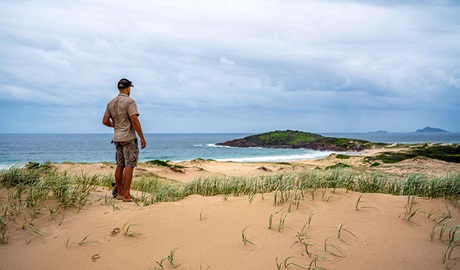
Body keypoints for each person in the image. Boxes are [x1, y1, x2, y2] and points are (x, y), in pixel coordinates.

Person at [102, 78, 146, 202]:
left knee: (119, 164)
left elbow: (105, 121)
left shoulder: (110, 103)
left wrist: (115, 126)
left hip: (117, 138)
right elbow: (134, 120)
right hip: (128, 138)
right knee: (129, 165)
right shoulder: (130, 102)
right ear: (128, 88)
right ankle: (127, 194)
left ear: (118, 88)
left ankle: (120, 193)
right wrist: (142, 137)